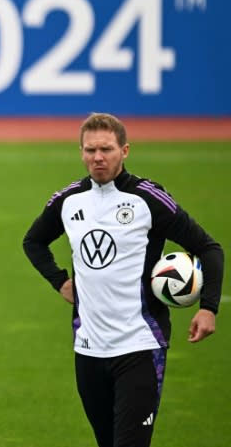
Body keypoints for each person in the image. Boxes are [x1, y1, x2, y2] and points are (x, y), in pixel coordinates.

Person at [22, 112, 224, 447]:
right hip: (87, 349)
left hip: (139, 347)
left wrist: (209, 307)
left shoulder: (148, 199)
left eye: (106, 149)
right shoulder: (69, 200)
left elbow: (208, 248)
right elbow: (33, 241)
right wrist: (59, 280)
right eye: (90, 150)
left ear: (124, 151)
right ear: (81, 152)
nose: (98, 157)